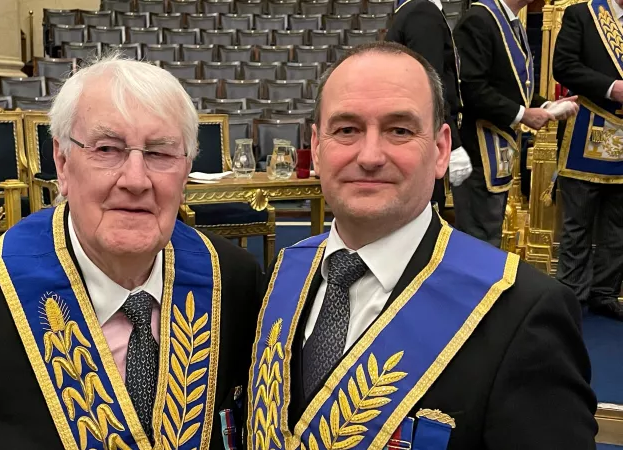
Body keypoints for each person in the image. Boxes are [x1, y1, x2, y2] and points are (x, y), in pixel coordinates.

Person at [0, 54, 264, 450]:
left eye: (160, 153)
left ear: (187, 168)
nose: (136, 180)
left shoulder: (233, 281)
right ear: (62, 162)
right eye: (107, 149)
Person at [245, 42, 597, 450]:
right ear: (318, 149)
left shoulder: (523, 312)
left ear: (441, 150)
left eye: (399, 130)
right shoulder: (281, 276)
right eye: (346, 130)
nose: (370, 155)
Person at [453, 0, 578, 247]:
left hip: (498, 146)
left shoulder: (510, 21)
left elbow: (514, 86)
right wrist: (523, 115)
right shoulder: (478, 19)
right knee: (479, 238)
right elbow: (470, 88)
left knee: (490, 234)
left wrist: (545, 106)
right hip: (478, 148)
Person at [552, 0, 623, 321]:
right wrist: (612, 88)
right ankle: (571, 294)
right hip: (588, 127)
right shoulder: (582, 14)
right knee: (577, 223)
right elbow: (564, 66)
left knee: (618, 225)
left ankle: (605, 293)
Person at [386, 0, 472, 210]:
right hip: (423, 137)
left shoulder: (412, 9)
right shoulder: (422, 12)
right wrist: (454, 144)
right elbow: (429, 85)